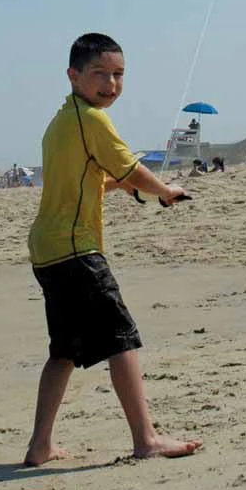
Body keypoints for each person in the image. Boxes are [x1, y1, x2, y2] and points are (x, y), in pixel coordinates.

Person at [24, 32, 202, 466]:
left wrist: (119, 186)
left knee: (64, 350)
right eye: (100, 74)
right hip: (76, 250)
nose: (111, 84)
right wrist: (164, 191)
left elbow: (89, 178)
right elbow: (132, 168)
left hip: (48, 249)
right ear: (73, 75)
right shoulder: (92, 119)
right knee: (121, 338)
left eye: (119, 75)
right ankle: (146, 438)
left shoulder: (62, 121)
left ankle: (40, 445)